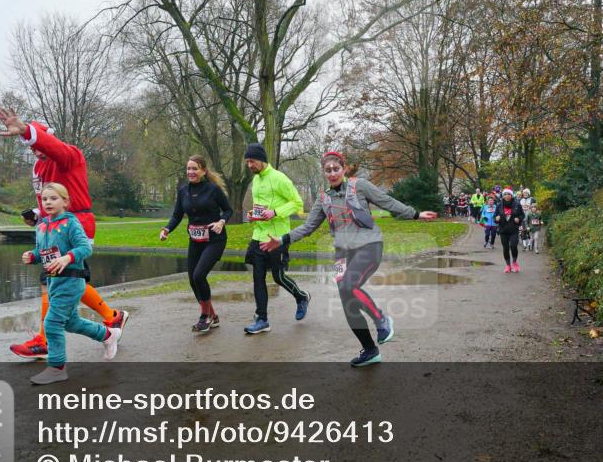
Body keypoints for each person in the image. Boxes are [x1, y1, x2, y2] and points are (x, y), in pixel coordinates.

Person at [260, 151, 437, 367]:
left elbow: (386, 201)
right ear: (324, 173)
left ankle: (381, 319)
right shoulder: (323, 198)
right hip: (342, 253)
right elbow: (308, 227)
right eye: (328, 170)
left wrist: (415, 214)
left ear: (344, 169)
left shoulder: (359, 186)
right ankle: (370, 350)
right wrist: (282, 239)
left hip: (369, 246)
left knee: (349, 285)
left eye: (336, 169)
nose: (332, 173)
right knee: (346, 299)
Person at [0, 108, 129, 359]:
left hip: (74, 224)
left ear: (48, 138)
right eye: (32, 147)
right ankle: (112, 317)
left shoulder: (69, 155)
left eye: (37, 143)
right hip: (53, 227)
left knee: (54, 279)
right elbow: (48, 199)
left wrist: (25, 131)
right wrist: (37, 214)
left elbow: (54, 149)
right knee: (70, 278)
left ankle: (46, 340)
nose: (35, 150)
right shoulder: (40, 167)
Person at [23, 184, 121, 384]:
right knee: (71, 323)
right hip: (54, 282)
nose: (48, 202)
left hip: (72, 281)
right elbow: (41, 251)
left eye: (54, 198)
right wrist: (32, 256)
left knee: (51, 323)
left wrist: (68, 257)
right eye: (44, 199)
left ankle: (57, 368)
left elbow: (85, 247)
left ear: (65, 201)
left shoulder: (70, 223)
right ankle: (107, 335)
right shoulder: (41, 226)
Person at [242, 143, 310, 334]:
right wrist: (253, 215)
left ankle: (301, 297)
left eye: (252, 161)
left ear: (261, 159)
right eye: (247, 162)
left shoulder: (279, 178)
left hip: (277, 237)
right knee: (258, 278)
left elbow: (297, 202)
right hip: (258, 236)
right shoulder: (256, 180)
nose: (249, 165)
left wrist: (275, 212)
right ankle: (262, 319)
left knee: (278, 277)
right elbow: (261, 206)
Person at [159, 156, 232, 333]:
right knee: (193, 280)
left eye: (195, 168)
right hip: (195, 241)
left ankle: (204, 316)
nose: (191, 172)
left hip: (214, 240)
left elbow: (228, 210)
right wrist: (167, 229)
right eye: (189, 169)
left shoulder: (213, 190)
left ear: (203, 171)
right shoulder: (183, 191)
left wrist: (221, 222)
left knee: (199, 275)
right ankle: (213, 316)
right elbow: (177, 215)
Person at [495, 188, 525, 273]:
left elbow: (522, 215)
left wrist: (518, 219)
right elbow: (495, 216)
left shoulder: (517, 204)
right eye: (505, 194)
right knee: (505, 248)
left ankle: (514, 262)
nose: (507, 196)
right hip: (503, 230)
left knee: (513, 246)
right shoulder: (499, 205)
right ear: (503, 195)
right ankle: (508, 265)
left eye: (508, 194)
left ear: (511, 195)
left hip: (513, 229)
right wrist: (496, 218)